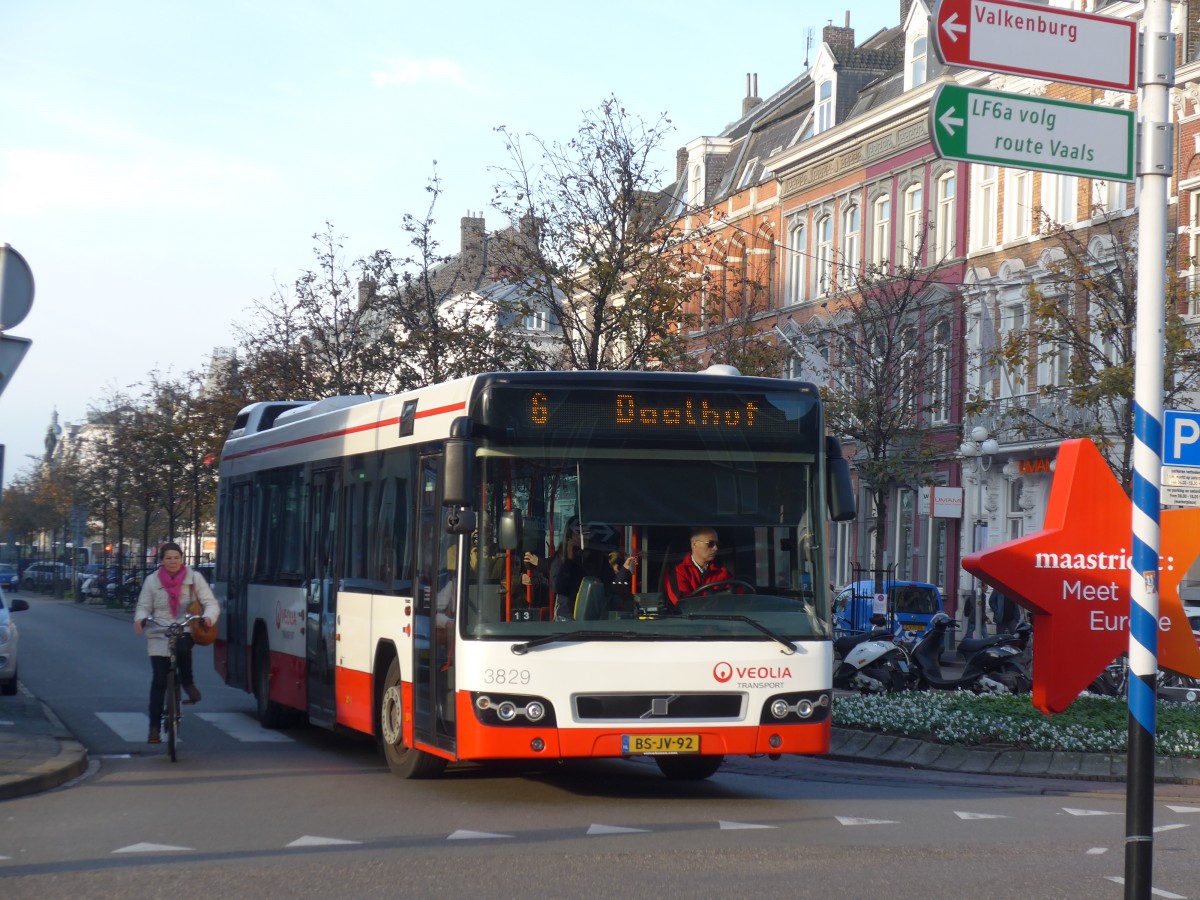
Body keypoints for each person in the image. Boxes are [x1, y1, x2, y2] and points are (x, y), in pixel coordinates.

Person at [134, 542, 220, 744]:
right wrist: (141, 619)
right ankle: (154, 727)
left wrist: (208, 617)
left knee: (182, 646)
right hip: (158, 631)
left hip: (185, 627)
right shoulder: (152, 581)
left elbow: (210, 603)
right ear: (162, 561)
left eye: (176, 557)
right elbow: (144, 605)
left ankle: (188, 683)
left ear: (182, 559)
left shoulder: (194, 578)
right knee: (159, 680)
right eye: (168, 558)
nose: (172, 561)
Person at [664, 527, 732, 605]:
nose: (715, 548)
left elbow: (737, 599)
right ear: (694, 544)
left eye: (717, 544)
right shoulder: (678, 571)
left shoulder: (723, 572)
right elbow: (682, 604)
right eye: (710, 544)